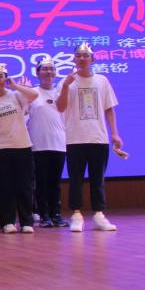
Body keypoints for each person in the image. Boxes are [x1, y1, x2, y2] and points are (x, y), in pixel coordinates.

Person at [57, 42, 123, 232]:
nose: (82, 58)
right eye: (79, 55)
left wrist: (115, 133)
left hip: (98, 138)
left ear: (93, 59)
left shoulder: (102, 80)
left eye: (86, 55)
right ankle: (76, 215)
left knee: (97, 178)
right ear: (74, 59)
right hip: (74, 138)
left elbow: (109, 109)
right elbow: (60, 107)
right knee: (75, 179)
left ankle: (99, 215)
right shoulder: (66, 81)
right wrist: (65, 86)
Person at [0, 63, 39, 234]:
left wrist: (15, 86)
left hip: (22, 146)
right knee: (4, 186)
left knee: (24, 185)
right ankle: (7, 221)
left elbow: (35, 94)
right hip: (0, 148)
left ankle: (26, 221)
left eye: (1, 76)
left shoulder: (16, 95)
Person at [28, 57, 67, 227]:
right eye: (44, 69)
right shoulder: (32, 93)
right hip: (39, 144)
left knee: (55, 182)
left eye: (51, 69)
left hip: (59, 143)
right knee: (41, 182)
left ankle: (56, 214)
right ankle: (44, 215)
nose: (48, 72)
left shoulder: (60, 93)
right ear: (37, 73)